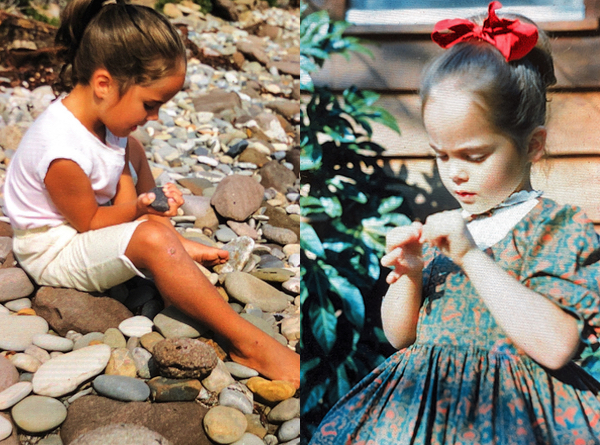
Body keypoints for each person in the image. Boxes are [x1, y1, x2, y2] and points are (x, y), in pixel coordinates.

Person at [309, 2, 600, 443]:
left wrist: (471, 257)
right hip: (422, 413)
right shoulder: (449, 229)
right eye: (441, 155)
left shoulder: (555, 228)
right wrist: (408, 275)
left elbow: (558, 346)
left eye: (474, 155)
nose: (455, 172)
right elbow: (400, 338)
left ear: (532, 146)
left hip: (517, 418)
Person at [3, 0, 299, 387]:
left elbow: (117, 172)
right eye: (150, 104)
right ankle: (245, 341)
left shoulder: (102, 118)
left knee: (134, 151)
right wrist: (141, 210)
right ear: (104, 84)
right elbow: (89, 222)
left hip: (89, 222)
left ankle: (164, 246)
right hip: (53, 248)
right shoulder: (61, 151)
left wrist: (152, 202)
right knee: (153, 237)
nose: (155, 117)